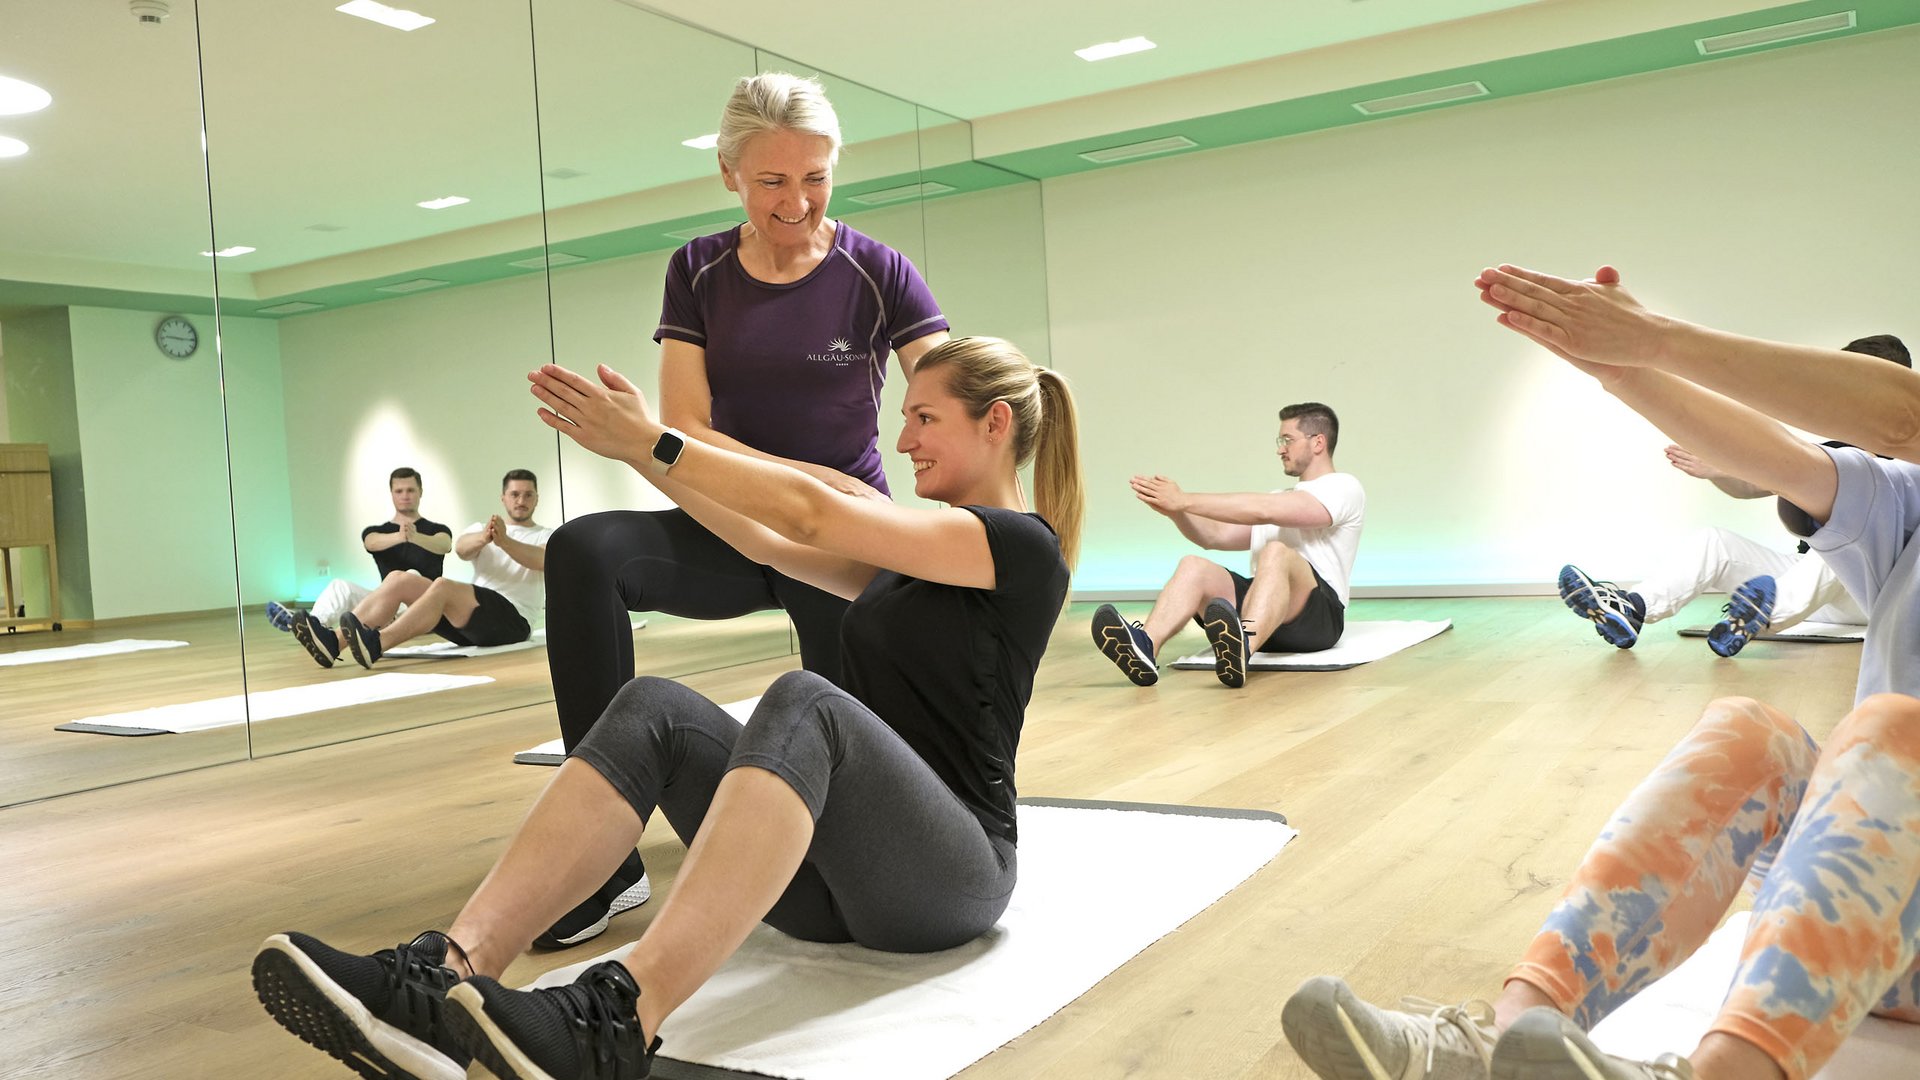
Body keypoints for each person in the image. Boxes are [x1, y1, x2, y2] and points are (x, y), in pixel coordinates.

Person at [251, 337, 1082, 1080]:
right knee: (652, 705)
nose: (902, 441)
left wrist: (656, 438)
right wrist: (643, 460)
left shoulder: (1019, 547)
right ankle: (445, 978)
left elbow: (811, 508)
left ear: (995, 424)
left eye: (924, 418)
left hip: (949, 878)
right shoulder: (911, 558)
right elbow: (768, 541)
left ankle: (618, 1020)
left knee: (807, 699)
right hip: (835, 882)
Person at [1281, 264, 1920, 1080]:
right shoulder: (1907, 504)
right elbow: (1784, 461)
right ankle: (1508, 1038)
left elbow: (1904, 413)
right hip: (1887, 916)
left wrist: (1658, 339)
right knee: (1747, 731)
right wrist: (1622, 371)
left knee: (1892, 730)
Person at [539, 72, 952, 946]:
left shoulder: (877, 271)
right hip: (730, 523)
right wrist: (792, 486)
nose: (797, 201)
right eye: (773, 181)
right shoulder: (698, 267)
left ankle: (836, 845)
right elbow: (686, 427)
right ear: (730, 173)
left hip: (844, 532)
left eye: (816, 177)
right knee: (584, 549)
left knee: (835, 710)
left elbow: (952, 390)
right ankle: (604, 864)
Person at [1558, 335, 1909, 656]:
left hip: (1879, 595)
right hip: (1819, 591)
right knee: (1716, 543)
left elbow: (1859, 483)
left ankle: (1763, 614)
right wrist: (1718, 469)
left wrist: (1749, 468)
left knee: (1846, 540)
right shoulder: (1834, 447)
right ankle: (1633, 608)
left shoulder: (1909, 454)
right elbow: (1754, 485)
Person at [1090, 403, 1364, 689]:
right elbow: (1215, 536)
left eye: (1287, 440)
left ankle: (1241, 647)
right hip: (1266, 611)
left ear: (1318, 441)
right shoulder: (1277, 499)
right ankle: (1146, 645)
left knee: (1276, 552)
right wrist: (1177, 512)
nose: (1280, 449)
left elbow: (1265, 510)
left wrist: (1184, 499)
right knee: (1192, 566)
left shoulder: (1343, 487)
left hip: (1318, 620)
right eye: (1280, 441)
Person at [289, 470, 551, 670]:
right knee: (399, 579)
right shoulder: (481, 528)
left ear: (537, 498)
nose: (521, 500)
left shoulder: (547, 535)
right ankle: (333, 642)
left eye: (528, 494)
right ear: (503, 498)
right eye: (515, 494)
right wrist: (487, 537)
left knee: (442, 585)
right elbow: (461, 548)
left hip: (513, 621)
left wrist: (504, 540)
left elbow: (541, 560)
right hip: (475, 619)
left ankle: (377, 643)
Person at [265, 466, 453, 635]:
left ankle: (386, 623)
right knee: (340, 587)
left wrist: (415, 536)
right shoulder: (376, 531)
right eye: (399, 491)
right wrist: (400, 536)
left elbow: (444, 544)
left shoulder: (437, 529)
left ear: (420, 492)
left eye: (411, 490)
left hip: (426, 607)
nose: (405, 495)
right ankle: (312, 625)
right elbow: (371, 543)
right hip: (387, 605)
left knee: (408, 576)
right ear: (392, 494)